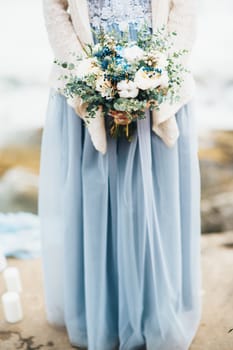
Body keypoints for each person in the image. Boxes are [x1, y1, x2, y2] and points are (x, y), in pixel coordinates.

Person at [39, 0, 202, 349]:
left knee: (153, 206)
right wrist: (92, 79)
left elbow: (184, 10)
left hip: (159, 91)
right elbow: (55, 9)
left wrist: (156, 77)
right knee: (97, 202)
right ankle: (102, 316)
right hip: (86, 85)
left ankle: (155, 312)